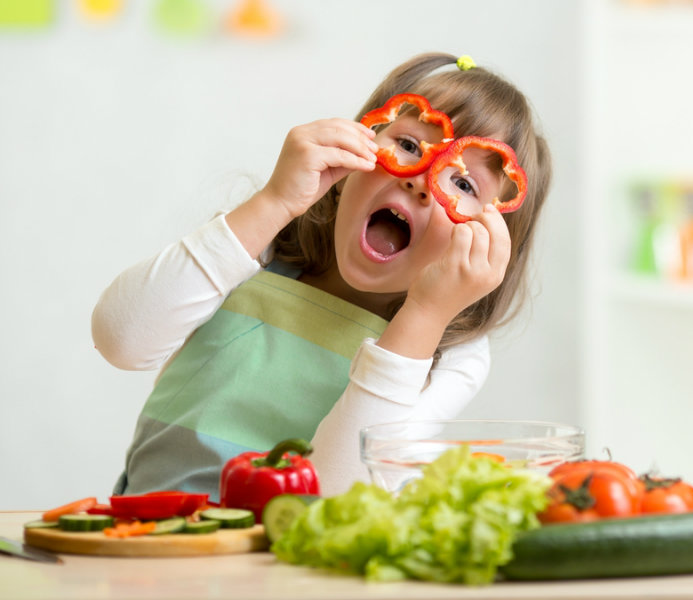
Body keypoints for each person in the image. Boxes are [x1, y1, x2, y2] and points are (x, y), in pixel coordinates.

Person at [92, 52, 553, 499]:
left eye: (464, 183)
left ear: (491, 241)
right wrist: (273, 201)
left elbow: (339, 492)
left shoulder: (454, 353)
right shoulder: (259, 245)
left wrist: (426, 314)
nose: (421, 180)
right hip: (145, 541)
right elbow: (121, 340)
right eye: (409, 145)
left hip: (291, 571)